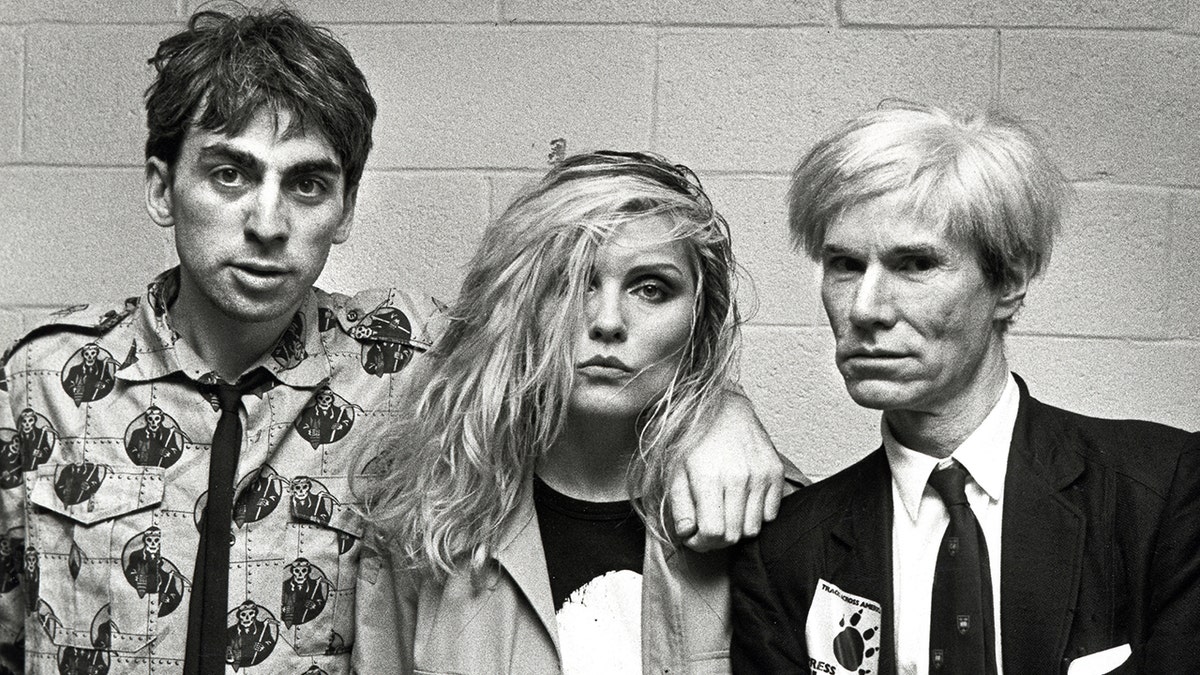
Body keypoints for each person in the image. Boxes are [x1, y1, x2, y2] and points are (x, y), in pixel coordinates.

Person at [0, 7, 786, 674]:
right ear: (160, 188)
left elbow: (580, 350)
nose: (268, 224)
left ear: (344, 210)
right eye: (230, 175)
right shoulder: (44, 377)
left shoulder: (413, 360)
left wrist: (721, 410)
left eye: (307, 184)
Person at [729, 102, 1200, 674]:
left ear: (1010, 281)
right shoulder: (786, 550)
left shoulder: (1165, 490)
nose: (865, 308)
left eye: (915, 264)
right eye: (846, 265)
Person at [355, 151, 808, 674]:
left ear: (697, 325)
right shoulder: (423, 514)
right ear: (522, 306)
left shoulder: (770, 514)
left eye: (651, 289)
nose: (608, 321)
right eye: (571, 283)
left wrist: (726, 403)